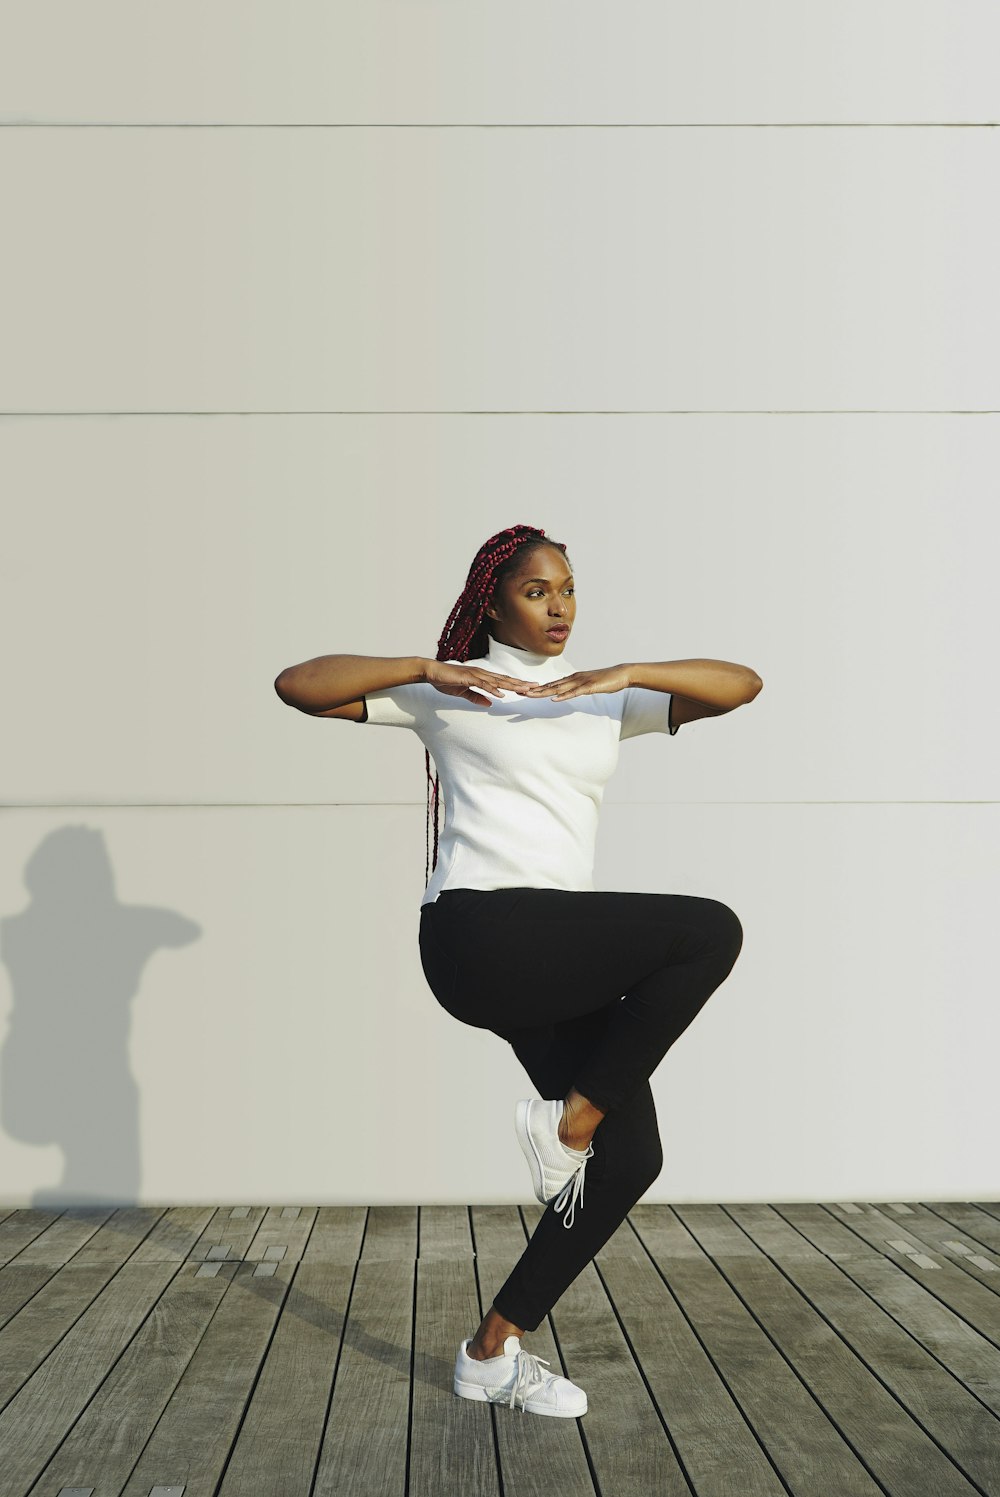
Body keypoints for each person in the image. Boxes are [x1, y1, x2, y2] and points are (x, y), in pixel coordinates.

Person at [274, 523, 761, 1419]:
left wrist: (628, 676)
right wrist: (426, 668)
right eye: (538, 592)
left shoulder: (599, 699)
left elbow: (742, 685)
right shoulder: (448, 692)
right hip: (478, 932)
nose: (559, 608)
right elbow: (296, 685)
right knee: (707, 931)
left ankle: (492, 1349)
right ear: (493, 599)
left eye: (569, 590)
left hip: (554, 951)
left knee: (633, 1159)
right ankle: (568, 1124)